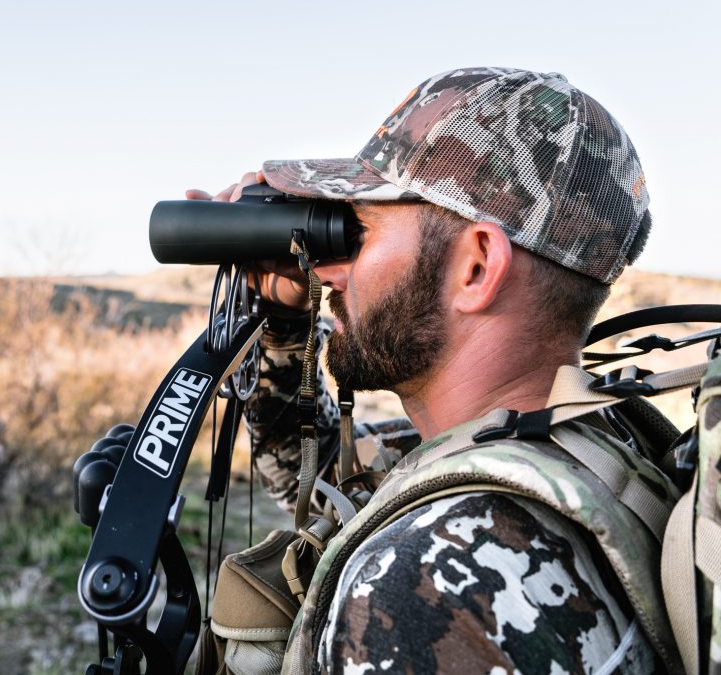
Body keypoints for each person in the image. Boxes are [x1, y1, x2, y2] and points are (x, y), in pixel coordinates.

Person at [187, 67, 672, 674]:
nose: (331, 271)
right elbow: (300, 474)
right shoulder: (592, 445)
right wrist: (283, 321)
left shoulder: (424, 588)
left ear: (476, 266)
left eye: (355, 232)